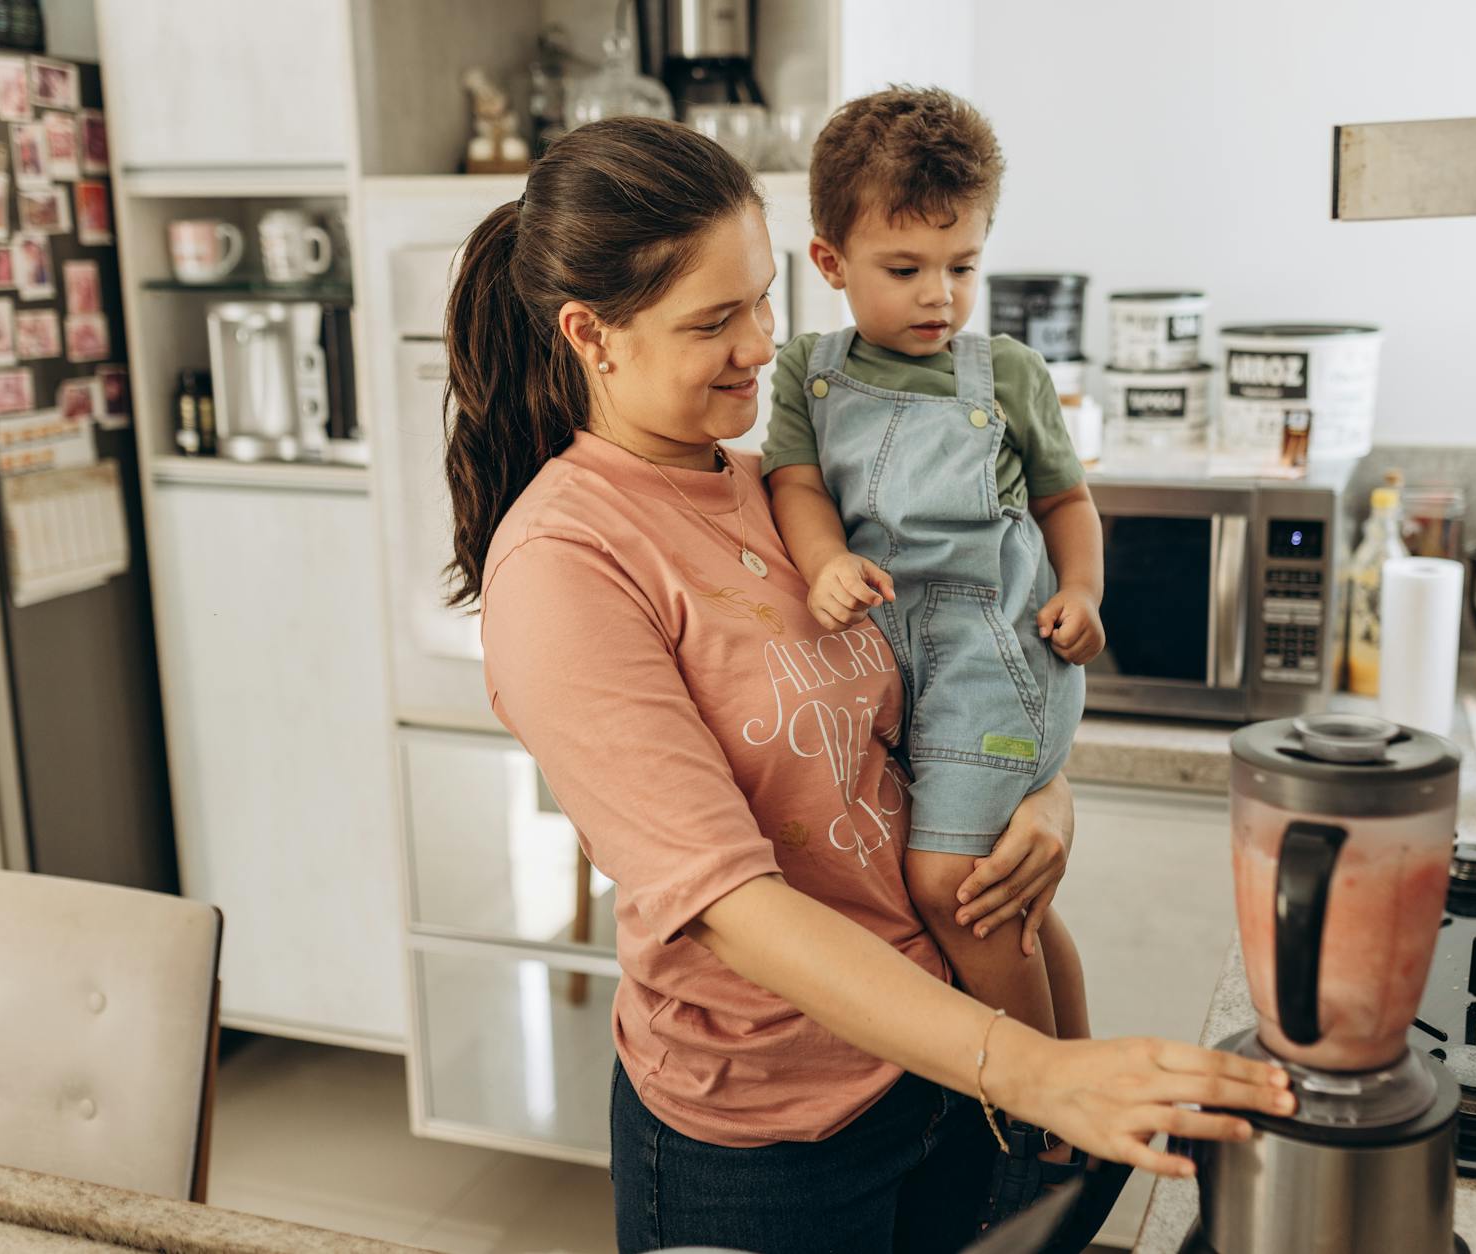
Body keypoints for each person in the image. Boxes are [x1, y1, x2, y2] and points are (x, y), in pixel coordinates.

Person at [443, 116, 1293, 1254]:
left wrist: (1043, 797)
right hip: (767, 1137)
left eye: (762, 300)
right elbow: (728, 906)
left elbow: (961, 671)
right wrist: (1035, 1069)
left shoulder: (784, 482)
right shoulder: (564, 566)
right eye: (712, 321)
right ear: (591, 334)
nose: (757, 346)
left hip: (938, 1066)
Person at [762, 87, 1102, 1217]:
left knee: (947, 883)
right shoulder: (802, 377)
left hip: (996, 657)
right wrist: (820, 566)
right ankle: (1078, 1079)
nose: (938, 296)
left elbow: (1066, 505)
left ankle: (1045, 1114)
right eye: (904, 266)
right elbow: (798, 490)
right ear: (828, 257)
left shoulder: (1002, 375)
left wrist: (1086, 596)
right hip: (898, 668)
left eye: (961, 264)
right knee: (1012, 897)